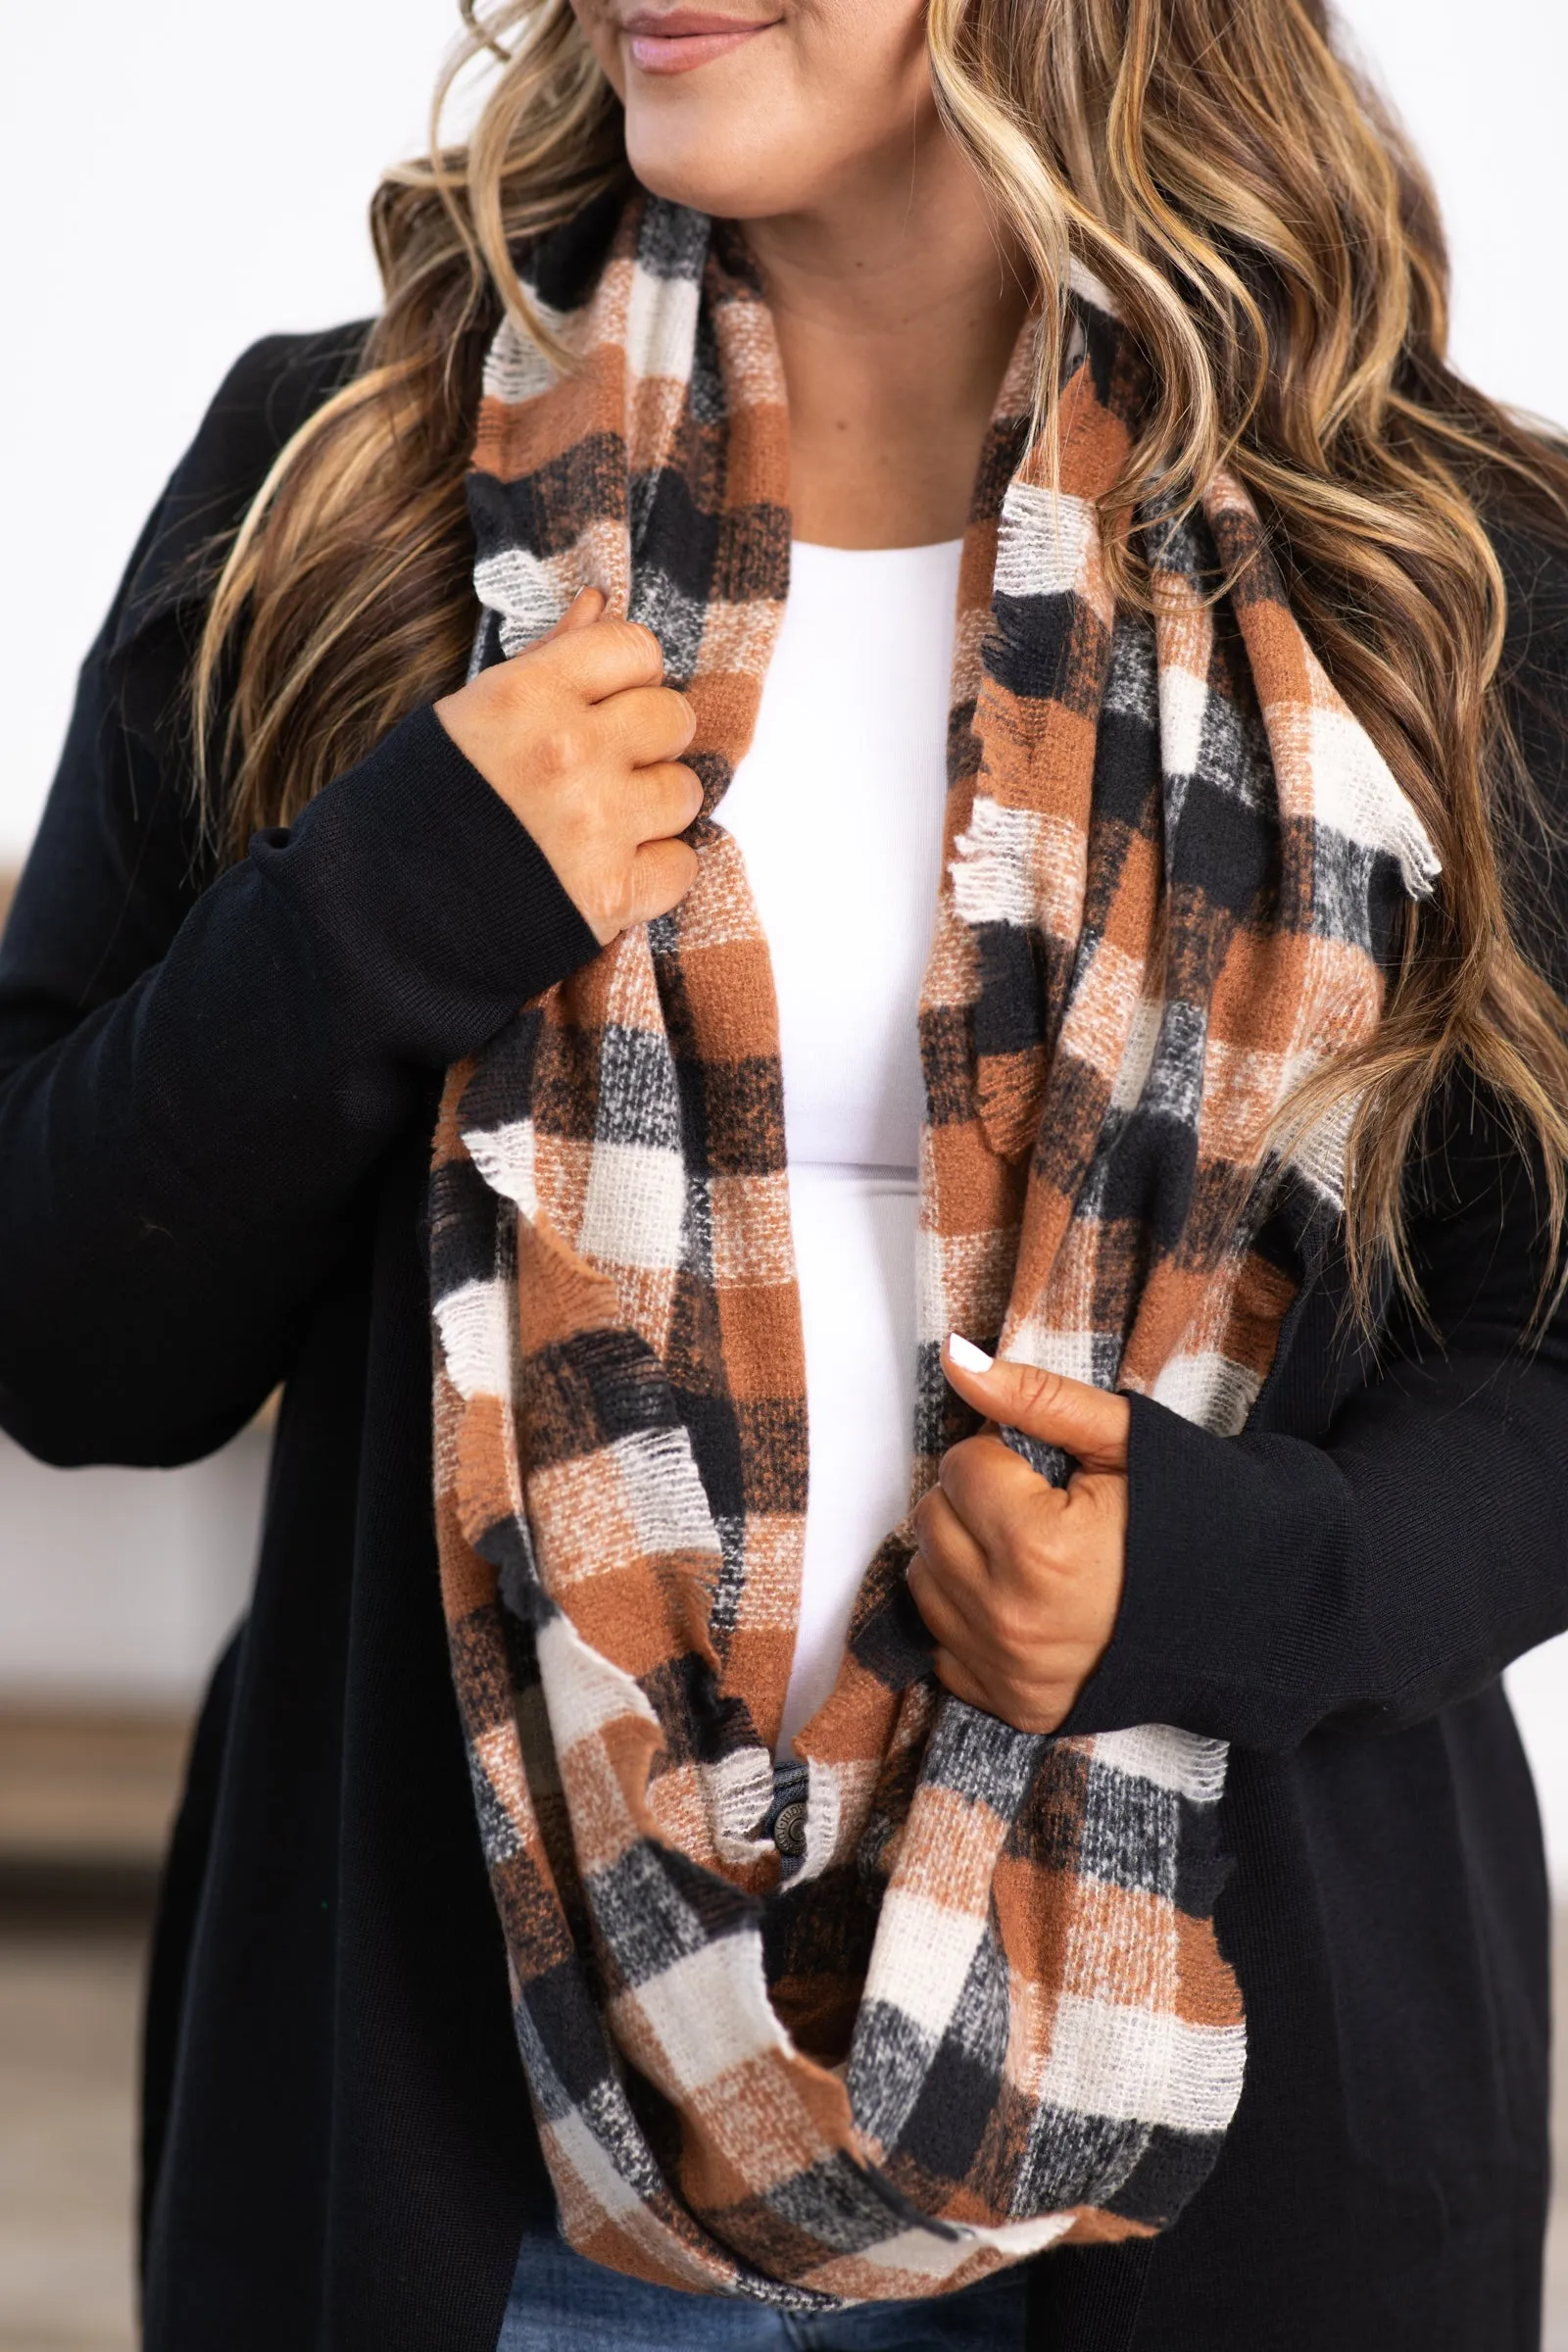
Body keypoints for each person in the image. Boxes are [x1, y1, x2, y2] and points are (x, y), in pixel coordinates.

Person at [4, 0, 1568, 2344]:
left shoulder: (1421, 561)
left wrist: (1243, 1578)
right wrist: (368, 913)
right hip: (492, 2157)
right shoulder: (338, 478)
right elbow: (60, 1326)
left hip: (1194, 2162)